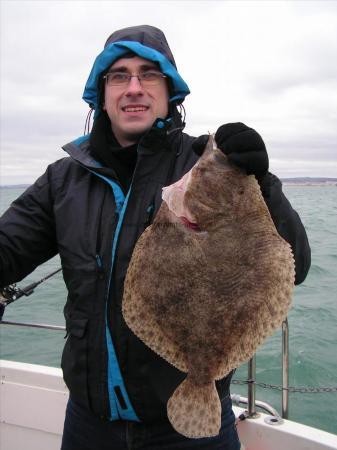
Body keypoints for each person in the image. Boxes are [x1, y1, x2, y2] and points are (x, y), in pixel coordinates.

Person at [0, 25, 310, 450]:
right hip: (89, 424)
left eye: (149, 74)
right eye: (118, 76)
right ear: (101, 93)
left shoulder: (209, 163)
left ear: (169, 91)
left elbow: (296, 264)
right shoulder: (63, 180)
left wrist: (261, 180)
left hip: (189, 434)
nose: (134, 88)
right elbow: (7, 250)